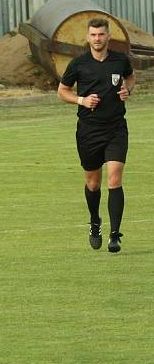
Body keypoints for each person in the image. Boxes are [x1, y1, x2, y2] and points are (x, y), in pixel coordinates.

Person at [57, 18, 135, 253]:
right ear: (88, 37)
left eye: (101, 34)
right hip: (89, 130)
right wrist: (82, 100)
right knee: (93, 183)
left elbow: (130, 77)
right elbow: (62, 91)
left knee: (114, 179)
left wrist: (127, 89)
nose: (97, 39)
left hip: (116, 128)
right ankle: (95, 222)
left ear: (108, 36)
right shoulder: (79, 64)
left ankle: (115, 235)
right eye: (93, 35)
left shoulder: (120, 60)